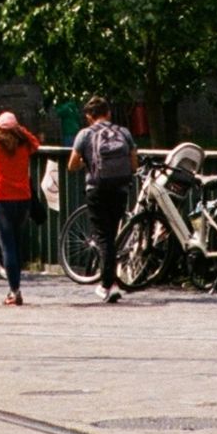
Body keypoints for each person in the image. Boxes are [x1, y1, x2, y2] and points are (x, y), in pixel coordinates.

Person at [67, 95, 136, 304]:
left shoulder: (85, 134)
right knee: (112, 235)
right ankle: (111, 281)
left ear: (89, 116)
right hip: (120, 188)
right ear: (108, 113)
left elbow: (72, 165)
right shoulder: (123, 132)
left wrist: (85, 165)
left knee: (103, 237)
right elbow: (134, 164)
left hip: (97, 188)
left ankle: (108, 285)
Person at [0, 108, 41, 306]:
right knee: (16, 244)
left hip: (2, 199)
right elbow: (36, 143)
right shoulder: (24, 145)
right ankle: (15, 286)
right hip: (24, 199)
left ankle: (14, 290)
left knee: (7, 246)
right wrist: (21, 130)